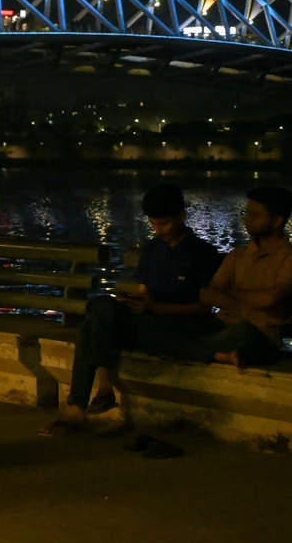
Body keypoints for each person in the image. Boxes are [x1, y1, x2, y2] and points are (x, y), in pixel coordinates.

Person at [41, 183, 223, 435]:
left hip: (175, 328)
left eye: (165, 224)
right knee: (101, 308)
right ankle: (92, 400)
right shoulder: (152, 250)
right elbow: (143, 291)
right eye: (154, 224)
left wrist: (156, 307)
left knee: (87, 328)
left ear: (181, 216)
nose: (159, 230)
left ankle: (88, 401)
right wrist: (134, 301)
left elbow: (204, 310)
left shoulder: (204, 254)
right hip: (145, 319)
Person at [195, 187, 292, 368]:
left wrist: (230, 296)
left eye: (255, 215)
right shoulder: (238, 255)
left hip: (260, 332)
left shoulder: (288, 258)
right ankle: (200, 350)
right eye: (247, 213)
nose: (247, 219)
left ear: (277, 221)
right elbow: (208, 295)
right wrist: (250, 301)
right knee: (154, 326)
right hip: (222, 324)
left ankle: (188, 349)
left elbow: (271, 298)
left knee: (243, 331)